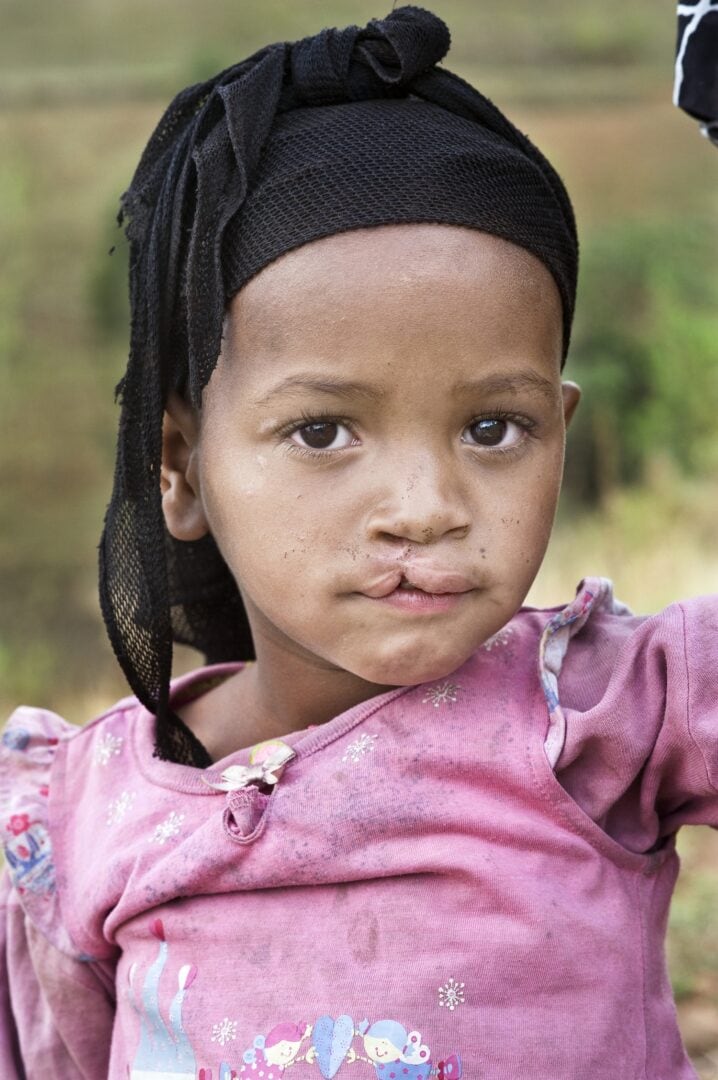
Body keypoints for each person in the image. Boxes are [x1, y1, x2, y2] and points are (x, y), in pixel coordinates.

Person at [0, 7, 715, 1078]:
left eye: (491, 428)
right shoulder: (76, 819)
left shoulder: (612, 715)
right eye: (322, 431)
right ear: (181, 469)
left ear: (560, 434)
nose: (425, 506)